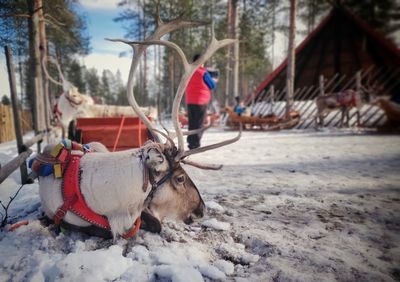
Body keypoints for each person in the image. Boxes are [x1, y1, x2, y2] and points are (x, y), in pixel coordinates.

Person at [185, 54, 217, 149]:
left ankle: (191, 142)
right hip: (200, 102)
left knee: (192, 122)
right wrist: (213, 80)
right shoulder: (203, 73)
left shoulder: (189, 72)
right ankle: (195, 143)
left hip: (190, 101)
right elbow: (212, 85)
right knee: (199, 123)